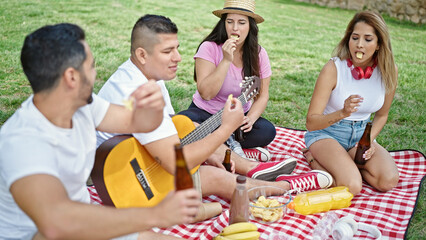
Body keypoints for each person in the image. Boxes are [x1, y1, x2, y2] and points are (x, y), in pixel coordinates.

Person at [96, 14, 333, 208]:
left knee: (191, 128)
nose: (178, 58)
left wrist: (209, 149)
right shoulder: (138, 92)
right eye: (168, 52)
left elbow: (171, 132)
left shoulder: (144, 75)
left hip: (141, 156)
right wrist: (226, 128)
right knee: (218, 177)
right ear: (142, 54)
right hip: (130, 182)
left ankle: (250, 167)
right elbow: (176, 162)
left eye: (177, 48)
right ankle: (288, 186)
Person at [0, 23, 203, 240]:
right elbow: (56, 224)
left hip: (83, 225)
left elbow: (137, 122)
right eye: (92, 65)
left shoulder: (84, 105)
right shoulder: (22, 143)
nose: (96, 73)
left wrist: (151, 107)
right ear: (71, 77)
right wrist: (156, 215)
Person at [303, 11, 399, 195]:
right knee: (352, 187)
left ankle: (349, 166)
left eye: (368, 39)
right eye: (355, 38)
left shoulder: (389, 71)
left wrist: (368, 141)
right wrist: (342, 112)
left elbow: (382, 114)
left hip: (361, 137)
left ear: (379, 44)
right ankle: (312, 157)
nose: (359, 44)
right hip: (327, 134)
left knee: (388, 180)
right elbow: (311, 122)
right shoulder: (333, 68)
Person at [178, 0, 276, 162]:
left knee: (267, 131)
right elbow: (207, 94)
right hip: (206, 114)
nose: (235, 28)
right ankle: (233, 147)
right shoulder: (209, 47)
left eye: (241, 22)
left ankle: (219, 146)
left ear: (251, 26)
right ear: (223, 24)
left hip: (238, 117)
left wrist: (250, 118)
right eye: (229, 22)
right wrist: (225, 61)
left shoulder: (259, 54)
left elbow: (262, 95)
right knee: (184, 124)